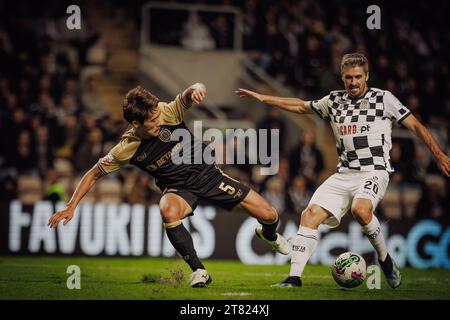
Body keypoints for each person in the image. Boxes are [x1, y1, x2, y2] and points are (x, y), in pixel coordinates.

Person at [236, 53, 450, 288]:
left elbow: (416, 126)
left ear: (366, 76)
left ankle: (385, 261)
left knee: (360, 210)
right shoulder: (334, 100)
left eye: (358, 76)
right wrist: (263, 98)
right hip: (343, 174)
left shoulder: (384, 99)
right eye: (348, 77)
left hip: (374, 171)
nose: (353, 82)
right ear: (342, 78)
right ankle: (294, 279)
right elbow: (299, 105)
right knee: (309, 215)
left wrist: (438, 155)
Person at [48, 83, 289, 287]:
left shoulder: (165, 112)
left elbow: (187, 94)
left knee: (269, 215)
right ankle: (199, 271)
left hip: (210, 178)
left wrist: (197, 88)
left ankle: (268, 235)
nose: (159, 120)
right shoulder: (126, 148)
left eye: (158, 114)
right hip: (179, 189)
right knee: (167, 208)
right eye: (152, 120)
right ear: (135, 123)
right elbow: (93, 173)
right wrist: (71, 206)